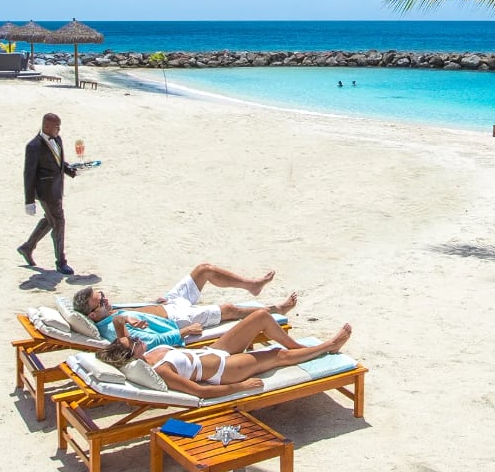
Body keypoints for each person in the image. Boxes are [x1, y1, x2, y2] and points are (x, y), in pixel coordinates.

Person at [97, 309, 352, 397]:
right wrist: (240, 387)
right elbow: (199, 391)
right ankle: (329, 346)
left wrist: (126, 318)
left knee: (260, 317)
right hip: (225, 371)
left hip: (213, 351)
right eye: (134, 342)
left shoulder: (144, 352)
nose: (137, 338)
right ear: (131, 355)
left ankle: (301, 348)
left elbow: (119, 325)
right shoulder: (160, 369)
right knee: (276, 355)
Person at [74, 264, 299, 349]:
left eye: (101, 294)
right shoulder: (112, 328)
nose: (105, 298)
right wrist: (184, 332)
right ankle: (277, 310)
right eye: (100, 301)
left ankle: (252, 285)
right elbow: (148, 342)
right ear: (93, 314)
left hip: (168, 302)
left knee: (204, 270)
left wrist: (152, 304)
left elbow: (137, 312)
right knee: (229, 309)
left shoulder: (109, 311)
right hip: (177, 319)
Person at [19, 112, 77, 275]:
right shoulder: (33, 146)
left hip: (57, 190)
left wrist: (69, 169)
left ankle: (27, 247)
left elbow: (58, 161)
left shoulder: (58, 139)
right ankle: (61, 262)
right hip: (45, 193)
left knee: (51, 221)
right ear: (47, 126)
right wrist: (29, 201)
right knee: (59, 223)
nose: (59, 129)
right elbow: (28, 174)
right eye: (57, 126)